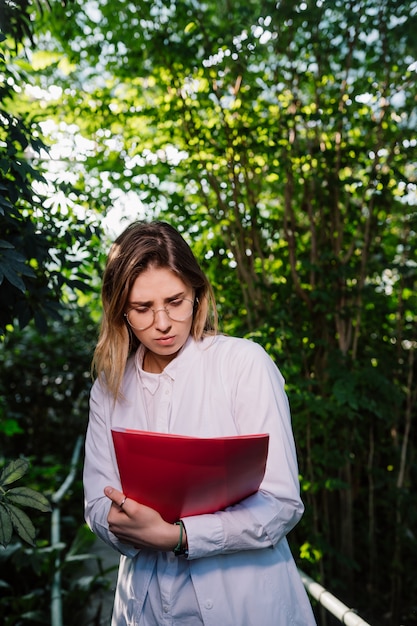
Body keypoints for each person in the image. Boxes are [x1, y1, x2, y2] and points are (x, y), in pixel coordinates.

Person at [83, 220, 317, 625]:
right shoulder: (109, 387)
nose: (162, 322)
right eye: (142, 308)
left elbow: (281, 503)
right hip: (147, 608)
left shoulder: (243, 365)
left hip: (246, 605)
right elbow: (96, 503)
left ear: (197, 293)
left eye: (175, 301)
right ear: (120, 309)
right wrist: (119, 522)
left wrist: (180, 537)